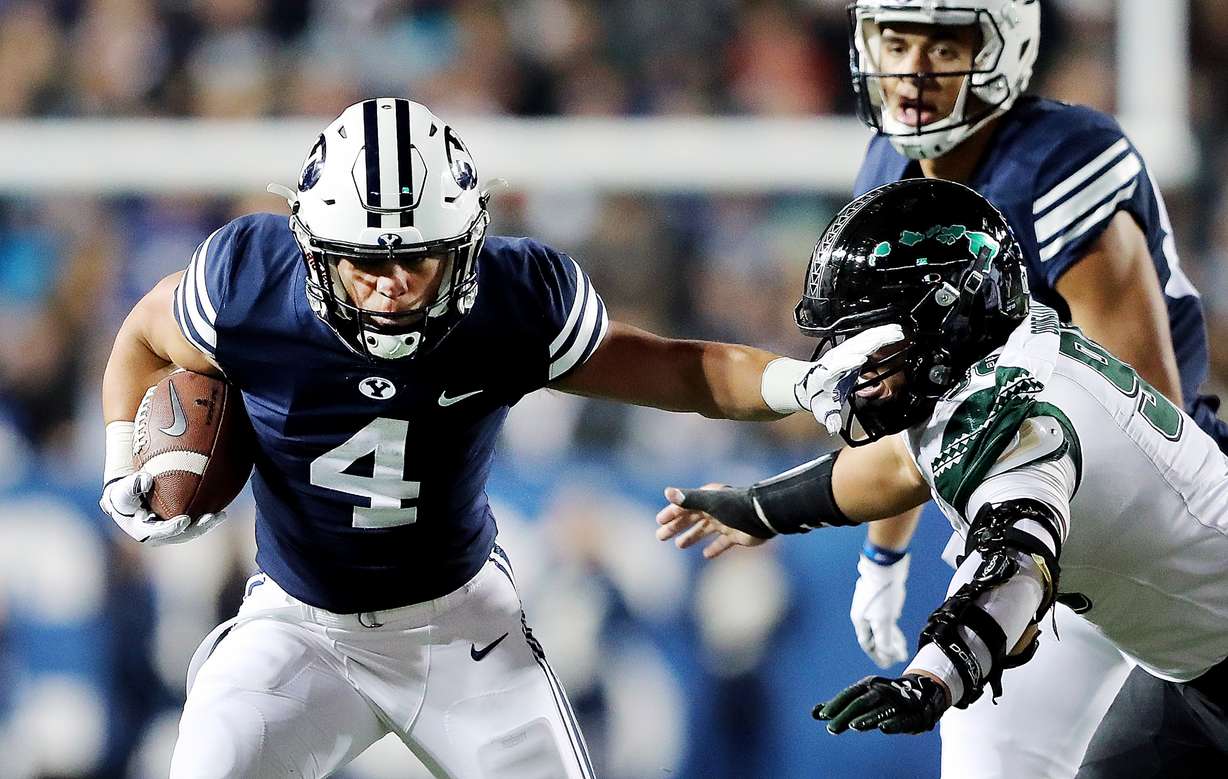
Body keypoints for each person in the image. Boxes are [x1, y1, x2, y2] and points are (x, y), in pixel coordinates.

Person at [97, 98, 843, 778]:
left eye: (416, 258)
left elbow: (681, 373)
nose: (391, 283)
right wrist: (117, 463)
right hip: (296, 624)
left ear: (466, 241)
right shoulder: (249, 285)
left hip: (460, 630)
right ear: (315, 248)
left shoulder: (513, 302)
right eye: (365, 261)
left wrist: (798, 383)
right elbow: (140, 335)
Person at [657, 179, 1228, 778]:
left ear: (946, 319)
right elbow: (903, 466)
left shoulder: (1022, 421)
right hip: (1189, 668)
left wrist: (929, 682)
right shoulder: (1000, 358)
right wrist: (758, 509)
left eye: (868, 339)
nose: (850, 366)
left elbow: (1014, 566)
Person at [839, 2, 1227, 775]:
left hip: (1129, 517)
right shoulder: (891, 165)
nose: (915, 69)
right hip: (1032, 509)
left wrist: (1014, 554)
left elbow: (1140, 427)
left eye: (944, 45)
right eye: (897, 39)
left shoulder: (1059, 165)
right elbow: (916, 402)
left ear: (1002, 47)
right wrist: (882, 557)